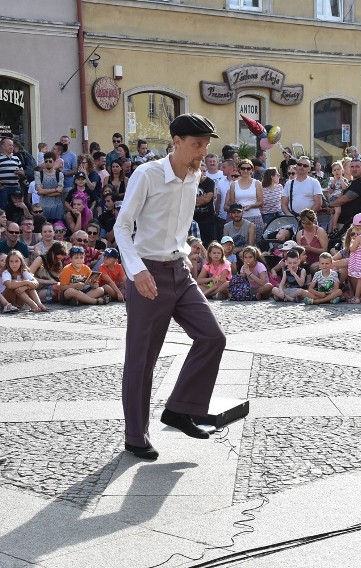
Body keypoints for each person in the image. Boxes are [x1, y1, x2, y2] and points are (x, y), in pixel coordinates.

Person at [113, 113, 226, 460]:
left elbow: (180, 222)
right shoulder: (147, 175)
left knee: (212, 337)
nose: (203, 152)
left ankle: (180, 409)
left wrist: (187, 252)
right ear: (176, 142)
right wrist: (136, 270)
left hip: (180, 271)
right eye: (197, 145)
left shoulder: (194, 177)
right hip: (146, 273)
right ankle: (135, 436)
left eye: (206, 145)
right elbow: (122, 227)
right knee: (142, 358)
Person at [345, 213, 361, 304]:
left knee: (359, 280)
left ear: (355, 225)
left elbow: (352, 249)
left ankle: (356, 297)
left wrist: (352, 241)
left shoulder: (358, 238)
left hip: (357, 259)